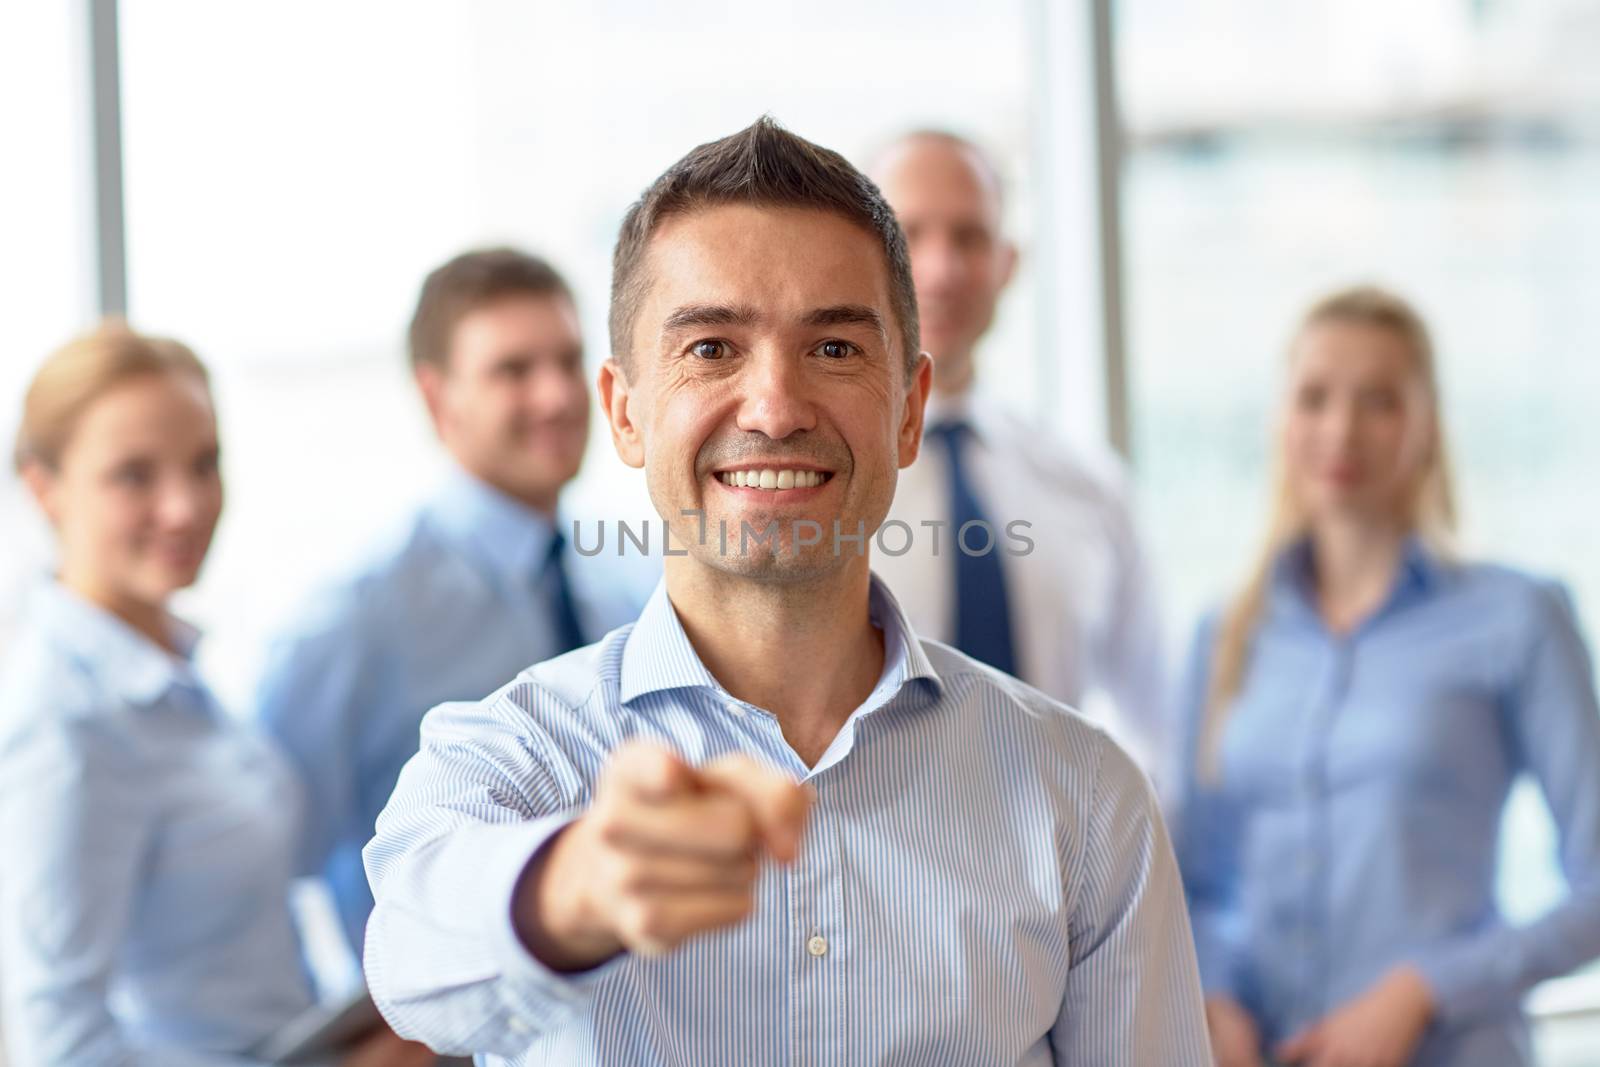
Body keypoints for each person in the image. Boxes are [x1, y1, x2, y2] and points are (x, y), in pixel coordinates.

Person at [361, 117, 1210, 1065]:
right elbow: (410, 947)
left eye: (836, 349)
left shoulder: (1085, 799)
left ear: (910, 408)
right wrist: (572, 888)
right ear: (626, 411)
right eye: (713, 348)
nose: (774, 407)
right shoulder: (512, 755)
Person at [1171, 286, 1600, 1067]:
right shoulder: (1223, 632)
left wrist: (1421, 989)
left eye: (1379, 401)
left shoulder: (1519, 617)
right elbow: (1191, 877)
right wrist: (1215, 996)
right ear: (1281, 420)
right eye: (1315, 397)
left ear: (1428, 425)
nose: (1342, 429)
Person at [0, 322, 429, 1066]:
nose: (185, 506)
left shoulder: (167, 666)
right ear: (44, 487)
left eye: (204, 464)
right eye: (135, 475)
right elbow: (63, 1043)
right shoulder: (65, 721)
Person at [254, 248, 643, 955]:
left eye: (568, 360)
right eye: (513, 370)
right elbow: (264, 868)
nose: (556, 396)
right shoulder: (355, 618)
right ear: (439, 399)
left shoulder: (623, 575)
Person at [868, 130, 1166, 771]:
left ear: (1008, 263)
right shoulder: (810, 490)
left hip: (1064, 857)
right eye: (910, 235)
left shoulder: (1091, 485)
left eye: (969, 239)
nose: (942, 269)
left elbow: (1154, 723)